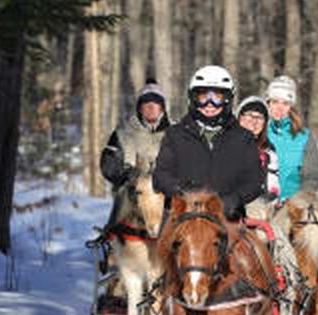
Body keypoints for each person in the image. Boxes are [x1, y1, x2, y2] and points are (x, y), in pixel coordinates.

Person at [153, 65, 263, 221]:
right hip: (183, 217)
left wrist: (234, 199)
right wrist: (183, 191)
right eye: (203, 97)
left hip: (228, 217)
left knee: (258, 243)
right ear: (193, 99)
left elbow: (254, 181)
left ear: (227, 99)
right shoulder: (175, 135)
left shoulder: (243, 138)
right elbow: (161, 176)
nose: (210, 104)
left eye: (217, 97)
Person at [100, 78, 169, 228]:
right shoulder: (123, 133)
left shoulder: (176, 134)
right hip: (132, 195)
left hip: (166, 195)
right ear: (139, 108)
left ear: (162, 107)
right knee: (123, 198)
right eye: (146, 103)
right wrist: (125, 175)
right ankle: (112, 238)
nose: (151, 107)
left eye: (155, 103)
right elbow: (108, 163)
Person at [265, 75, 318, 201]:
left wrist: (300, 200)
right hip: (261, 203)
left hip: (292, 205)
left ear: (291, 107)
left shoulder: (303, 137)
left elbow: (311, 175)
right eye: (275, 102)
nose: (280, 108)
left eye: (285, 103)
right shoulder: (258, 132)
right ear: (268, 104)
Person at [236, 95, 280, 218]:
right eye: (249, 115)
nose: (254, 121)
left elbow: (273, 185)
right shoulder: (225, 143)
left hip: (261, 205)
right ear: (239, 117)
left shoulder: (268, 151)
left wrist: (271, 200)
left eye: (259, 118)